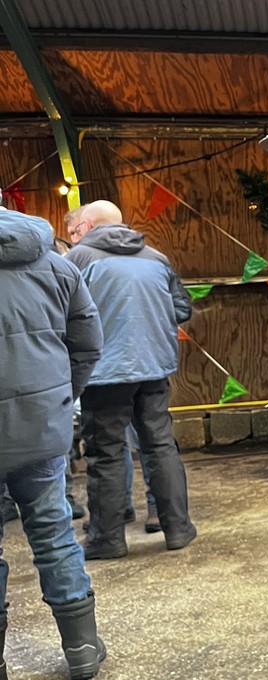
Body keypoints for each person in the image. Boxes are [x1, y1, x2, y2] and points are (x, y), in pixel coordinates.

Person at [0, 209, 107, 679]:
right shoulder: (56, 265)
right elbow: (88, 344)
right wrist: (59, 400)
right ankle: (81, 649)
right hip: (41, 429)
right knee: (53, 533)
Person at [66, 200, 196, 559]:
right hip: (154, 366)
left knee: (105, 453)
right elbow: (182, 308)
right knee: (160, 446)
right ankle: (178, 529)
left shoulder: (76, 260)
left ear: (87, 226)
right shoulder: (156, 257)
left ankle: (107, 539)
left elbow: (60, 313)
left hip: (103, 372)